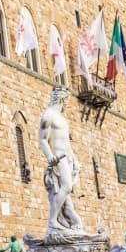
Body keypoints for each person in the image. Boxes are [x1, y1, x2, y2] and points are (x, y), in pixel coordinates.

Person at [39, 88, 85, 234]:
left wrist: (75, 159)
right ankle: (52, 221)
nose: (67, 105)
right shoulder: (48, 116)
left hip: (68, 157)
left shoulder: (61, 118)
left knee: (66, 192)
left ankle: (68, 221)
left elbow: (66, 142)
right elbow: (42, 140)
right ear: (62, 100)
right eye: (67, 101)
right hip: (58, 158)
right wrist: (49, 156)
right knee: (66, 186)